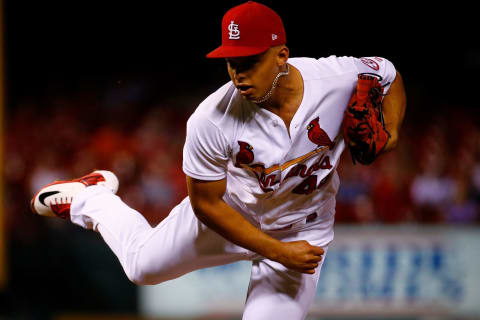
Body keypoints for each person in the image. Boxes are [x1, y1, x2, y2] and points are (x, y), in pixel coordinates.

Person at [31, 1, 407, 319]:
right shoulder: (211, 118)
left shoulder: (335, 78)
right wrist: (276, 251)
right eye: (232, 62)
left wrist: (388, 136)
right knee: (141, 266)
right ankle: (91, 198)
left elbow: (388, 73)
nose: (238, 73)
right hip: (230, 215)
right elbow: (206, 203)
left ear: (281, 56)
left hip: (299, 228)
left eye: (250, 61)